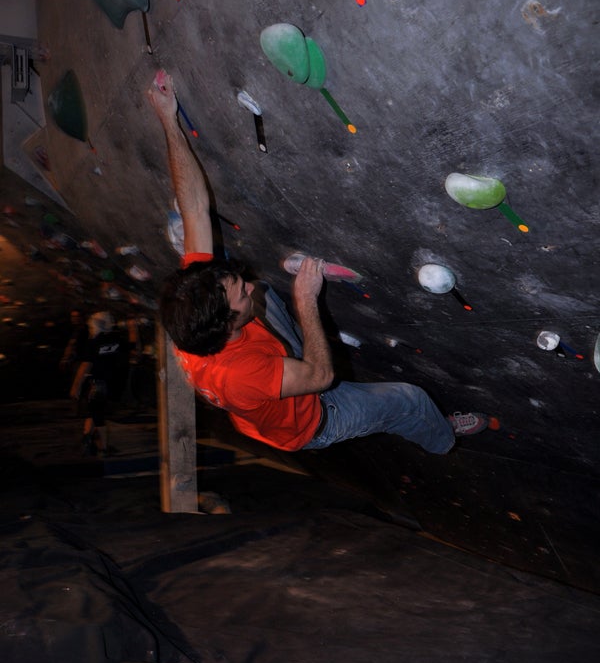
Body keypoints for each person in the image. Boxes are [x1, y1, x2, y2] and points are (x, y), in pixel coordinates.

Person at [148, 71, 488, 456]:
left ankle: (283, 343)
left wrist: (167, 119)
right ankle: (442, 436)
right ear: (226, 326)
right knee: (407, 399)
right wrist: (306, 300)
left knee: (248, 288)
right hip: (315, 418)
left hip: (263, 366)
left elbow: (193, 206)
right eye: (241, 294)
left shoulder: (197, 309)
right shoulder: (239, 374)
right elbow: (321, 377)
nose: (248, 283)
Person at [70, 311, 129, 456]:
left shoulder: (93, 342)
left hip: (96, 384)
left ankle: (102, 447)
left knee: (97, 415)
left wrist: (76, 386)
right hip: (110, 383)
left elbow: (85, 366)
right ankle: (88, 442)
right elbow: (127, 354)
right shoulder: (117, 339)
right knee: (94, 412)